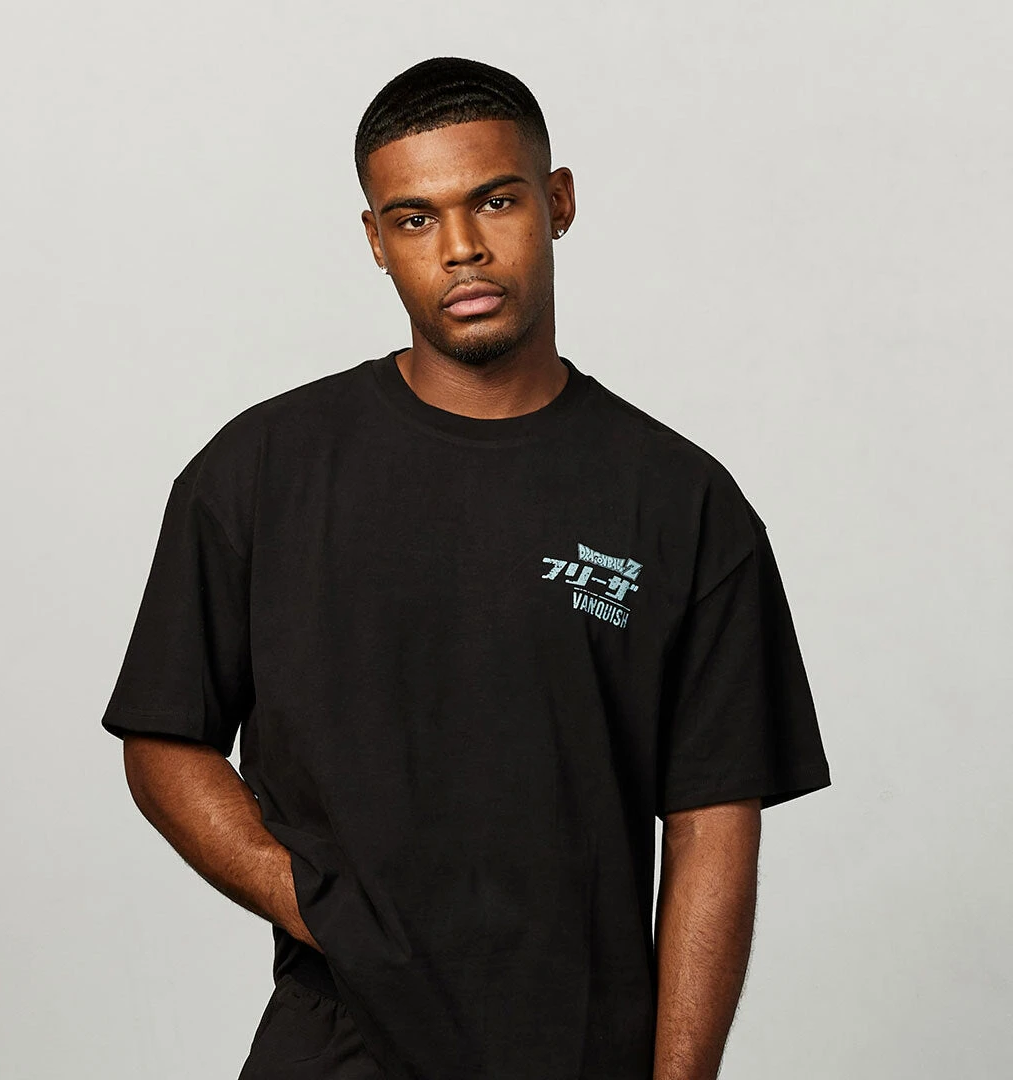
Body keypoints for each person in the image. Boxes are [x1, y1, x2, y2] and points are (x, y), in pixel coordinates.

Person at [101, 56, 832, 1080]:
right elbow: (162, 736)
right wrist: (310, 904)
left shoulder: (681, 502)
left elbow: (713, 819)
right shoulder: (262, 470)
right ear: (375, 240)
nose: (461, 249)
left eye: (495, 201)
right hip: (337, 1045)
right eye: (415, 218)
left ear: (558, 201)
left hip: (580, 1049)